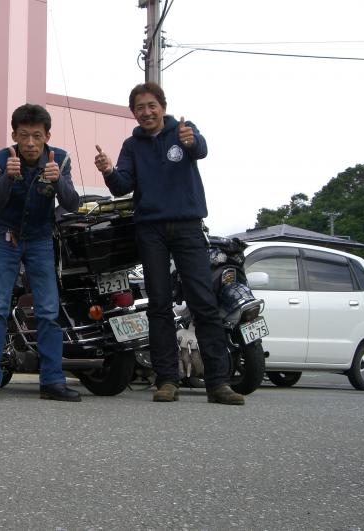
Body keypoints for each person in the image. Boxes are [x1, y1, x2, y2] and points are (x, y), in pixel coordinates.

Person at [93, 82, 245, 405]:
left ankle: (218, 383)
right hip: (150, 231)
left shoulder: (183, 131)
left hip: (188, 226)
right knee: (158, 304)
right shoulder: (131, 146)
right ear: (133, 113)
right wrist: (108, 171)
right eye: (140, 108)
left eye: (152, 106)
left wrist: (192, 142)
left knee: (203, 301)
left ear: (163, 106)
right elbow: (121, 186)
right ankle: (166, 380)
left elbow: (200, 149)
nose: (146, 112)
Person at [0, 104, 81, 402]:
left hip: (41, 239)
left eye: (37, 136)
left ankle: (53, 382)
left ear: (47, 136)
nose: (30, 143)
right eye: (24, 136)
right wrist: (8, 177)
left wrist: (58, 180)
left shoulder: (60, 158)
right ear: (15, 135)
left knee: (48, 311)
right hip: (6, 238)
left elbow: (72, 204)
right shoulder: (1, 158)